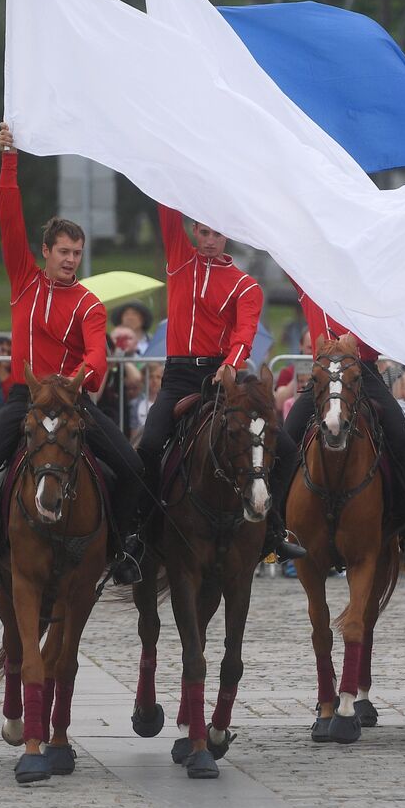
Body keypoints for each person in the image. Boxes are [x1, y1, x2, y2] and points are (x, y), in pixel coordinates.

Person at [0, 123, 145, 591]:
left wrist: (76, 380)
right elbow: (9, 214)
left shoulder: (89, 303)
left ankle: (122, 548)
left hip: (69, 401)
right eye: (63, 252)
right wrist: (9, 158)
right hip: (24, 398)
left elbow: (96, 357)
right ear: (44, 251)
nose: (70, 260)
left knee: (130, 467)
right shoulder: (24, 279)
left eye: (77, 253)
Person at [136, 202, 303, 563]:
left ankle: (273, 529)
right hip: (179, 376)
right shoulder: (179, 259)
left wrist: (228, 365)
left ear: (229, 234)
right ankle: (143, 529)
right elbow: (165, 204)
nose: (211, 240)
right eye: (204, 232)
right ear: (194, 230)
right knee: (148, 444)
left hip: (223, 374)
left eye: (218, 233)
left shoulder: (246, 286)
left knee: (286, 448)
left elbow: (244, 334)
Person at [286, 285, 405, 556]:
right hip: (323, 374)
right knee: (287, 436)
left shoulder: (365, 278)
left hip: (363, 372)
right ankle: (275, 526)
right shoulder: (307, 276)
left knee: (400, 436)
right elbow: (283, 248)